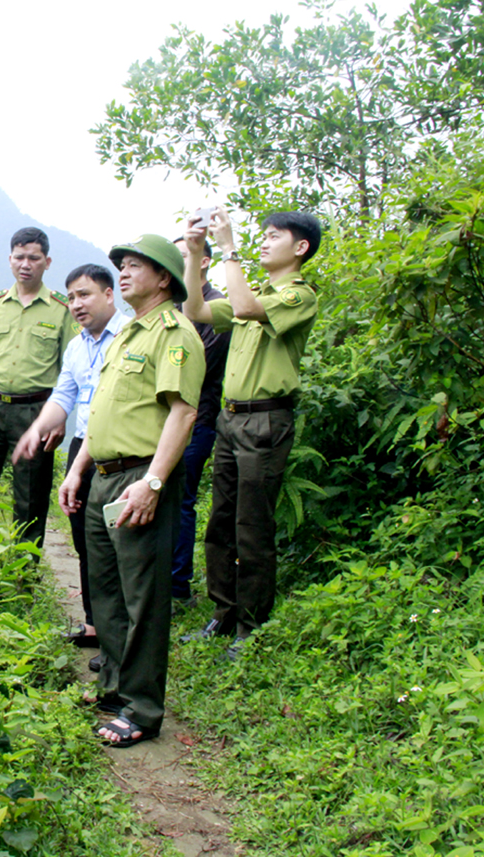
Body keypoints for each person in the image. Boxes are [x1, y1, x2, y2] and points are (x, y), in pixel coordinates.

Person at [59, 235, 204, 747]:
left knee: (142, 596)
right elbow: (102, 409)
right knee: (108, 591)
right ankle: (114, 687)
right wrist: (78, 469)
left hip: (139, 477)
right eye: (120, 265)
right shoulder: (127, 334)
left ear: (163, 277)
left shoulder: (174, 332)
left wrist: (153, 483)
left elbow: (183, 413)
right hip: (102, 474)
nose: (122, 272)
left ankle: (142, 709)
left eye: (134, 266)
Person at [179, 208, 322, 659]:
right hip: (231, 418)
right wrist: (195, 253)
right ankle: (222, 614)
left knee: (251, 527)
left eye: (273, 236)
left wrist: (228, 249)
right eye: (261, 236)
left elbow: (244, 309)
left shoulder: (299, 295)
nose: (263, 242)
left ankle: (251, 628)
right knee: (220, 522)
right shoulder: (253, 290)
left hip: (266, 420)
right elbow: (195, 309)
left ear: (300, 248)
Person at [13, 264, 126, 648]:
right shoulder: (78, 345)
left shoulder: (129, 337)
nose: (77, 304)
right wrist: (37, 429)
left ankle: (120, 634)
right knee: (84, 537)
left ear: (109, 294)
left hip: (121, 449)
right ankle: (95, 624)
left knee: (117, 542)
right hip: (83, 444)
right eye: (72, 296)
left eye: (85, 294)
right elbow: (64, 395)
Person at [0, 227, 79, 548]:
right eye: (20, 257)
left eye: (34, 258)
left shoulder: (61, 309)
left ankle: (23, 575)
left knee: (31, 496)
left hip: (36, 412)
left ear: (47, 262)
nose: (26, 264)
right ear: (10, 260)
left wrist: (60, 417)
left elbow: (72, 369)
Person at [170, 238, 231, 610]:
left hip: (197, 417)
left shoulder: (217, 305)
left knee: (181, 500)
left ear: (205, 260)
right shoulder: (173, 306)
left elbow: (200, 367)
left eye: (186, 255)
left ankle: (178, 589)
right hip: (163, 418)